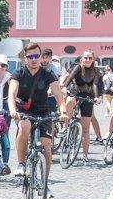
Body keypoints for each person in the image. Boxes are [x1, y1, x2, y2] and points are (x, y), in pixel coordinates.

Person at [8, 42, 72, 180]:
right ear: (25, 58)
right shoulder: (18, 73)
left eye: (37, 56)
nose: (34, 59)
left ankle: (44, 181)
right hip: (24, 112)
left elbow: (58, 95)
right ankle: (21, 164)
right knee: (24, 126)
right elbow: (12, 94)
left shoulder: (48, 73)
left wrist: (63, 112)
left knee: (47, 146)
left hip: (43, 112)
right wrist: (13, 110)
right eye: (30, 57)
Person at [61, 50, 105, 161]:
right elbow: (70, 78)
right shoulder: (78, 68)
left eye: (90, 58)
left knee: (85, 129)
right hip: (76, 93)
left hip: (88, 97)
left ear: (93, 59)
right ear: (82, 59)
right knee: (69, 100)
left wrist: (97, 97)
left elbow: (95, 85)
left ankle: (85, 156)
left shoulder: (96, 71)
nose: (88, 60)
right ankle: (66, 127)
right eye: (85, 58)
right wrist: (64, 87)